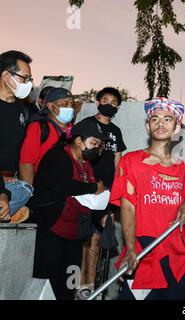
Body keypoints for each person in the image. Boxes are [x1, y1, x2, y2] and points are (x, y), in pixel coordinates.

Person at [110, 97, 185, 300]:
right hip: (143, 251)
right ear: (148, 125)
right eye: (155, 118)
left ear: (176, 128)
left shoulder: (183, 168)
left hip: (175, 254)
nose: (160, 123)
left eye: (168, 119)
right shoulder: (130, 161)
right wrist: (130, 249)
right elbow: (128, 208)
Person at [31, 119, 108, 300]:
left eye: (98, 145)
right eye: (93, 143)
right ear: (78, 141)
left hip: (75, 232)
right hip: (52, 229)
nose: (96, 149)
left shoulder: (87, 165)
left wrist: (102, 215)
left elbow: (89, 199)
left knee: (68, 284)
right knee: (47, 281)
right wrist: (94, 188)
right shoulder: (57, 156)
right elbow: (61, 185)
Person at [76, 87, 126, 297]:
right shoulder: (86, 124)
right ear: (97, 102)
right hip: (85, 188)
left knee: (98, 238)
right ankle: (78, 284)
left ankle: (89, 287)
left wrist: (117, 189)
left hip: (106, 193)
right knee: (83, 238)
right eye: (104, 99)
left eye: (113, 101)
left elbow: (118, 160)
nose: (108, 103)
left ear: (117, 107)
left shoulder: (115, 131)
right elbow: (73, 151)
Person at [0, 50, 34, 223]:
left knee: (26, 188)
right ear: (6, 76)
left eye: (30, 80)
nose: (28, 84)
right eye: (24, 78)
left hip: (9, 181)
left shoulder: (21, 110)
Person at [19, 88, 75, 185]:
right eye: (65, 104)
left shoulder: (73, 130)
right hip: (44, 189)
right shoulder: (38, 128)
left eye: (72, 104)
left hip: (68, 188)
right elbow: (26, 162)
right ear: (50, 106)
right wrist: (29, 191)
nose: (70, 108)